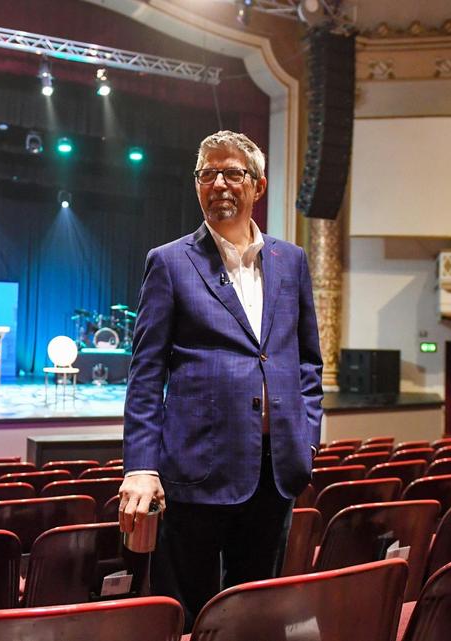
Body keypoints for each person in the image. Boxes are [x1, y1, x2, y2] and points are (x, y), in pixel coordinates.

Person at [118, 130, 324, 627]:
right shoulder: (169, 263)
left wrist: (307, 438)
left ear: (258, 185)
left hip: (274, 475)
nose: (219, 183)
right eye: (207, 173)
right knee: (189, 616)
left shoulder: (290, 261)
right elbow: (146, 375)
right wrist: (141, 466)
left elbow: (308, 362)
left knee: (255, 614)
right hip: (196, 471)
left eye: (232, 172)